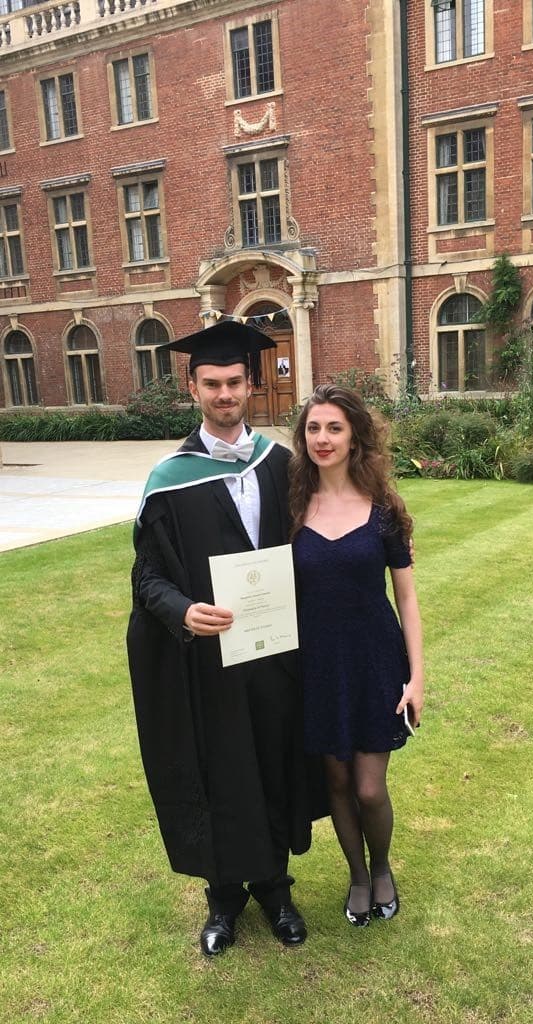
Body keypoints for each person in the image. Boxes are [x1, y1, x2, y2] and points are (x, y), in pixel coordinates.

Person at [127, 320, 324, 958]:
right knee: (219, 768)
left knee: (270, 760)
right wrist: (182, 611)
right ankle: (223, 898)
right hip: (209, 662)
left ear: (250, 383)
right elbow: (147, 576)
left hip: (275, 657)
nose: (224, 394)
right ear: (192, 387)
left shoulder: (284, 467)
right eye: (211, 383)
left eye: (235, 382)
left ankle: (275, 890)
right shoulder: (168, 479)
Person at [289, 384, 424, 927]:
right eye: (314, 428)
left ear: (354, 438)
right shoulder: (293, 507)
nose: (322, 439)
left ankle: (383, 865)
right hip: (317, 665)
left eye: (334, 428)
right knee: (338, 783)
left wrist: (416, 677)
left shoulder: (384, 509)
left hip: (374, 661)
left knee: (369, 787)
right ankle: (359, 876)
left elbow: (407, 596)